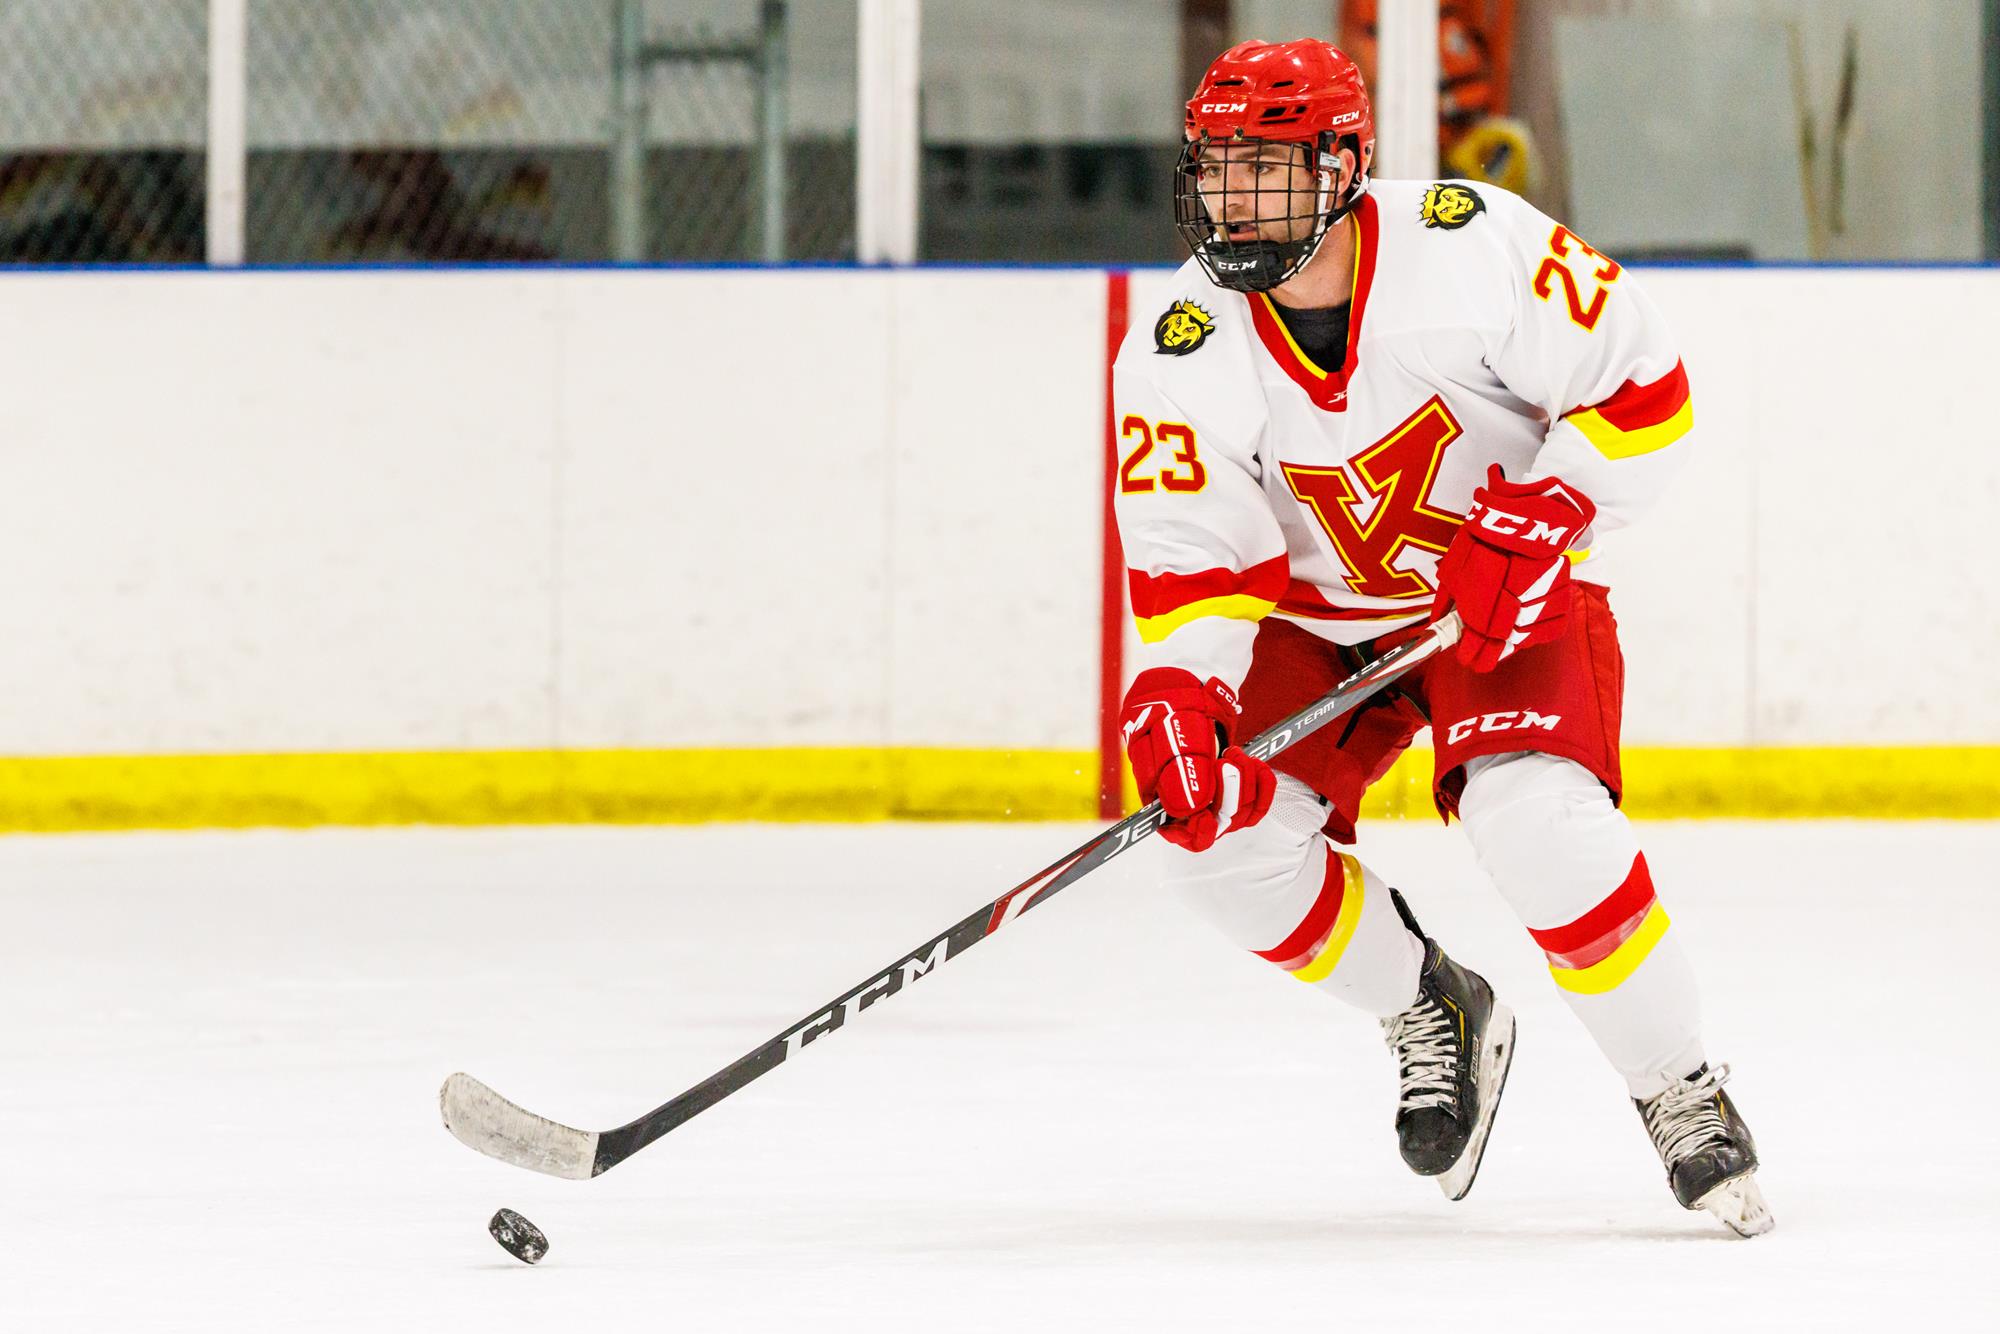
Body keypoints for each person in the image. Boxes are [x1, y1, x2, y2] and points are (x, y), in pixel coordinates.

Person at [1114, 37, 1771, 1236]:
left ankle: (1675, 1082)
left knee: (1537, 825)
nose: (1233, 199)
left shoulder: (1474, 247)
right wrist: (1175, 684)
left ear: (1346, 167)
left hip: (1501, 597)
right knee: (1212, 842)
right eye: (1216, 169)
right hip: (1318, 627)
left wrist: (1550, 499)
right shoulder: (1179, 345)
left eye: (1267, 169)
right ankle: (1428, 1000)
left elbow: (1641, 388)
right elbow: (1188, 561)